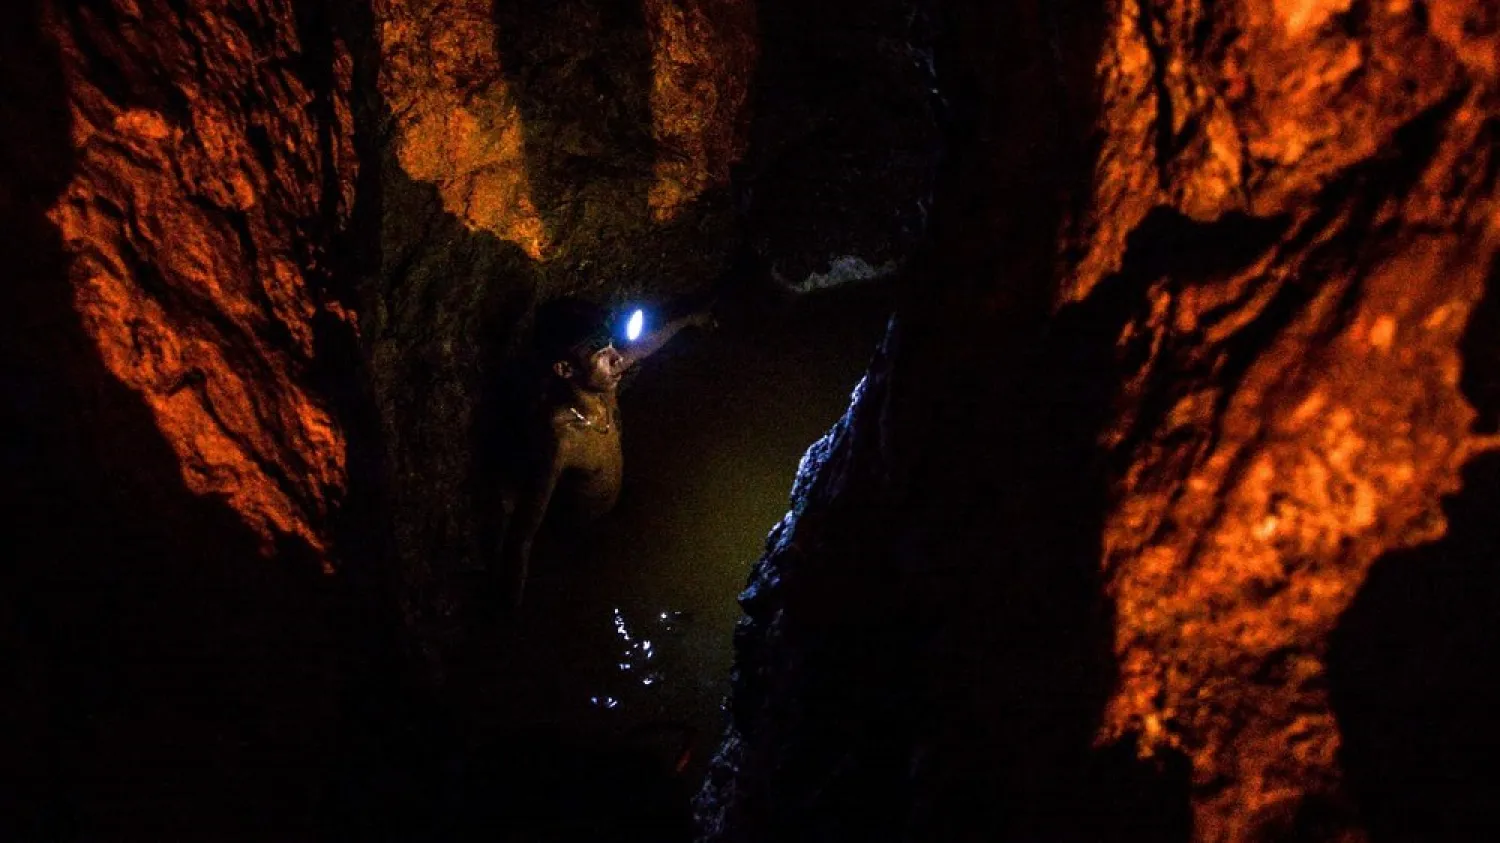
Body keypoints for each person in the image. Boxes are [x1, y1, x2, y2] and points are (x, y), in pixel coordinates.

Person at [493, 296, 714, 614]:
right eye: (602, 353)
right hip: (578, 534)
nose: (617, 357)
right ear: (565, 369)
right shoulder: (561, 440)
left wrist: (688, 319)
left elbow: (642, 347)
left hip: (612, 506)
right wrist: (510, 610)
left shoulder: (602, 384)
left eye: (612, 345)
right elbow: (523, 535)